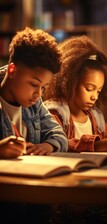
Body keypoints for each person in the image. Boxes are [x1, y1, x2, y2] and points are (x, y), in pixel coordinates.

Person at [45, 35, 107, 152]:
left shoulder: (95, 117)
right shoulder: (54, 113)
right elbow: (58, 143)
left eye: (98, 91)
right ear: (69, 82)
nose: (95, 97)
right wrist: (96, 146)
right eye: (89, 88)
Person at [0, 27, 68, 159]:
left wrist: (48, 146)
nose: (39, 94)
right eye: (34, 84)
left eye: (43, 87)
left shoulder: (35, 104)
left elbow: (58, 134)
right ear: (12, 70)